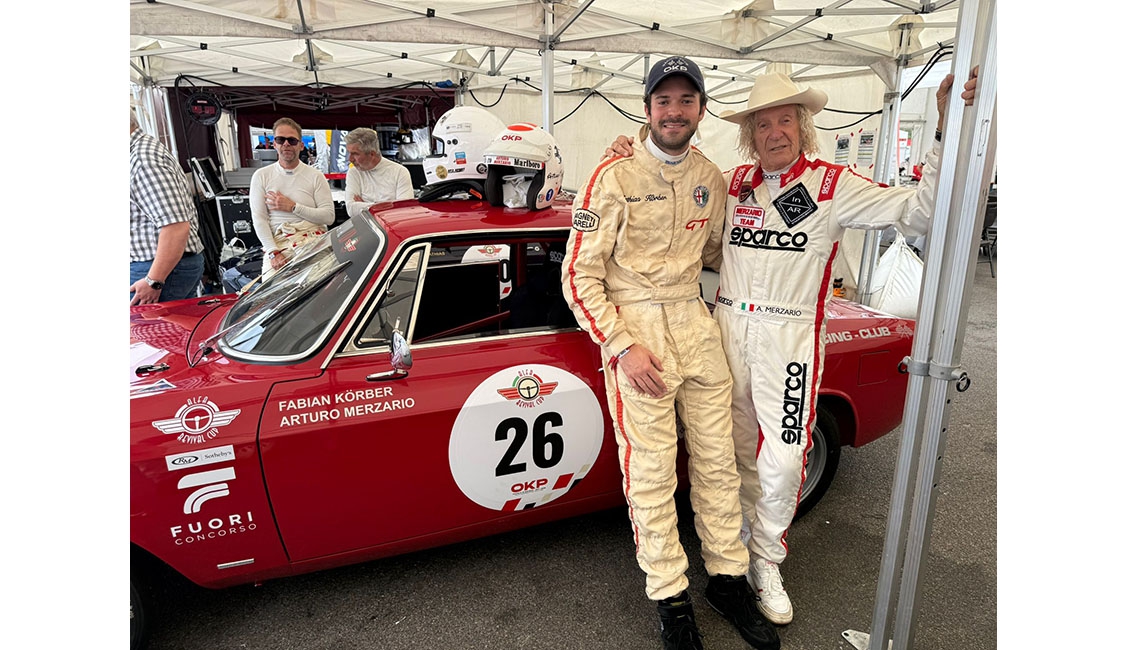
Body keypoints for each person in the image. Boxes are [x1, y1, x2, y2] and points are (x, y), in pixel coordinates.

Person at [604, 68, 979, 627]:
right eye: (762, 123)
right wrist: (629, 149)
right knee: (728, 457)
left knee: (781, 460)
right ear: (749, 134)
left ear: (803, 126)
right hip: (725, 329)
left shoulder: (834, 184)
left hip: (790, 335)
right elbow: (674, 190)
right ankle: (731, 563)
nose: (774, 132)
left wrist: (947, 129)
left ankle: (766, 560)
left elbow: (919, 214)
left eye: (785, 120)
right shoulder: (731, 184)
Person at [563, 55, 779, 650]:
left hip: (696, 329)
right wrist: (622, 346)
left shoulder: (710, 176)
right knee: (652, 473)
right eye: (664, 101)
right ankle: (671, 598)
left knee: (719, 463)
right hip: (639, 338)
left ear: (701, 109)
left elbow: (714, 254)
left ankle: (728, 580)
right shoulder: (612, 175)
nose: (675, 111)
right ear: (647, 108)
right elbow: (578, 275)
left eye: (687, 100)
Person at [130, 110, 205, 305]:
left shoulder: (143, 159)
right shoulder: (142, 153)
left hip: (157, 270)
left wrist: (153, 281)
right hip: (162, 267)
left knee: (147, 326)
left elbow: (176, 226)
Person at [249, 117, 335, 278]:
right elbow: (259, 219)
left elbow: (329, 217)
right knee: (272, 293)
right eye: (281, 140)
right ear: (274, 144)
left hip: (314, 242)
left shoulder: (316, 176)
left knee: (328, 288)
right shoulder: (261, 176)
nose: (286, 144)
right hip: (279, 245)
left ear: (301, 145)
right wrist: (273, 252)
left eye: (292, 140)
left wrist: (293, 207)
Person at [343, 127, 414, 218]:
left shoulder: (399, 172)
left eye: (355, 154)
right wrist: (387, 206)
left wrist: (364, 206)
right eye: (349, 153)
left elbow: (404, 210)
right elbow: (351, 209)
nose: (350, 159)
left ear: (372, 154)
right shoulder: (354, 172)